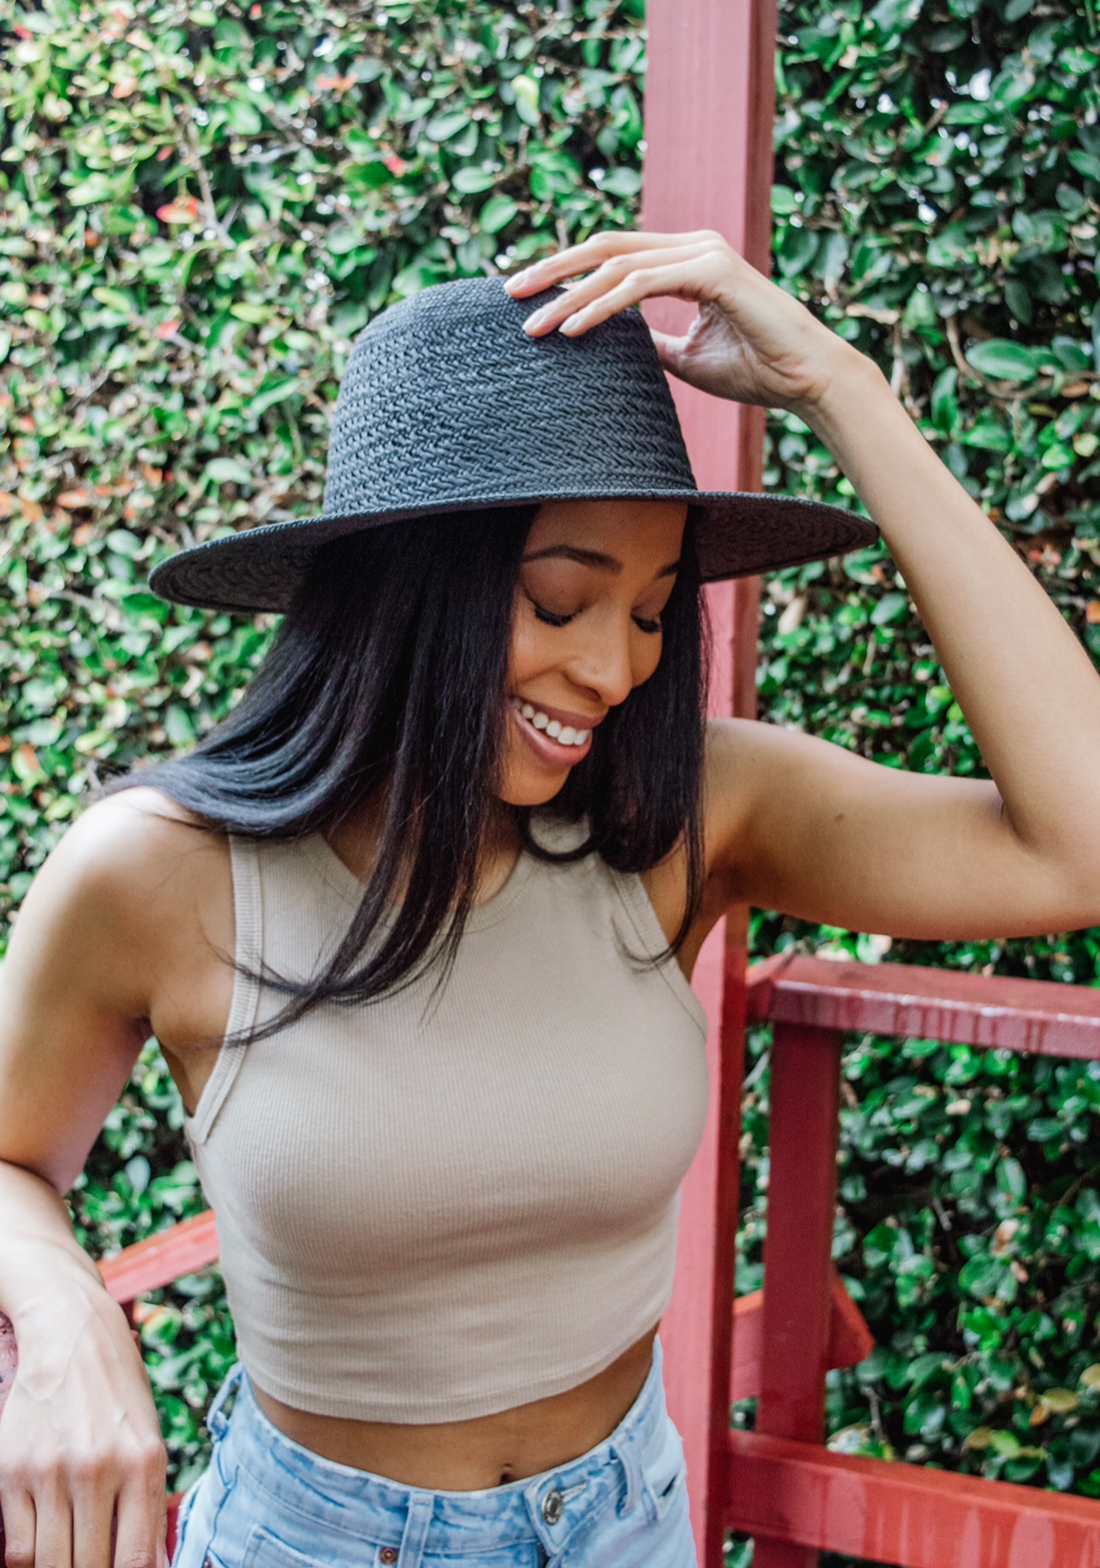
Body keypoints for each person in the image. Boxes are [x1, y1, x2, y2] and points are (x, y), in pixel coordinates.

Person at [3, 228, 1100, 1568]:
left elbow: (1081, 847)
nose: (616, 672)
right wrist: (62, 1311)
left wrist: (841, 388)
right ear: (407, 594)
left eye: (650, 612)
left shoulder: (688, 816)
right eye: (563, 601)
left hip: (626, 1523)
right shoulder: (156, 871)